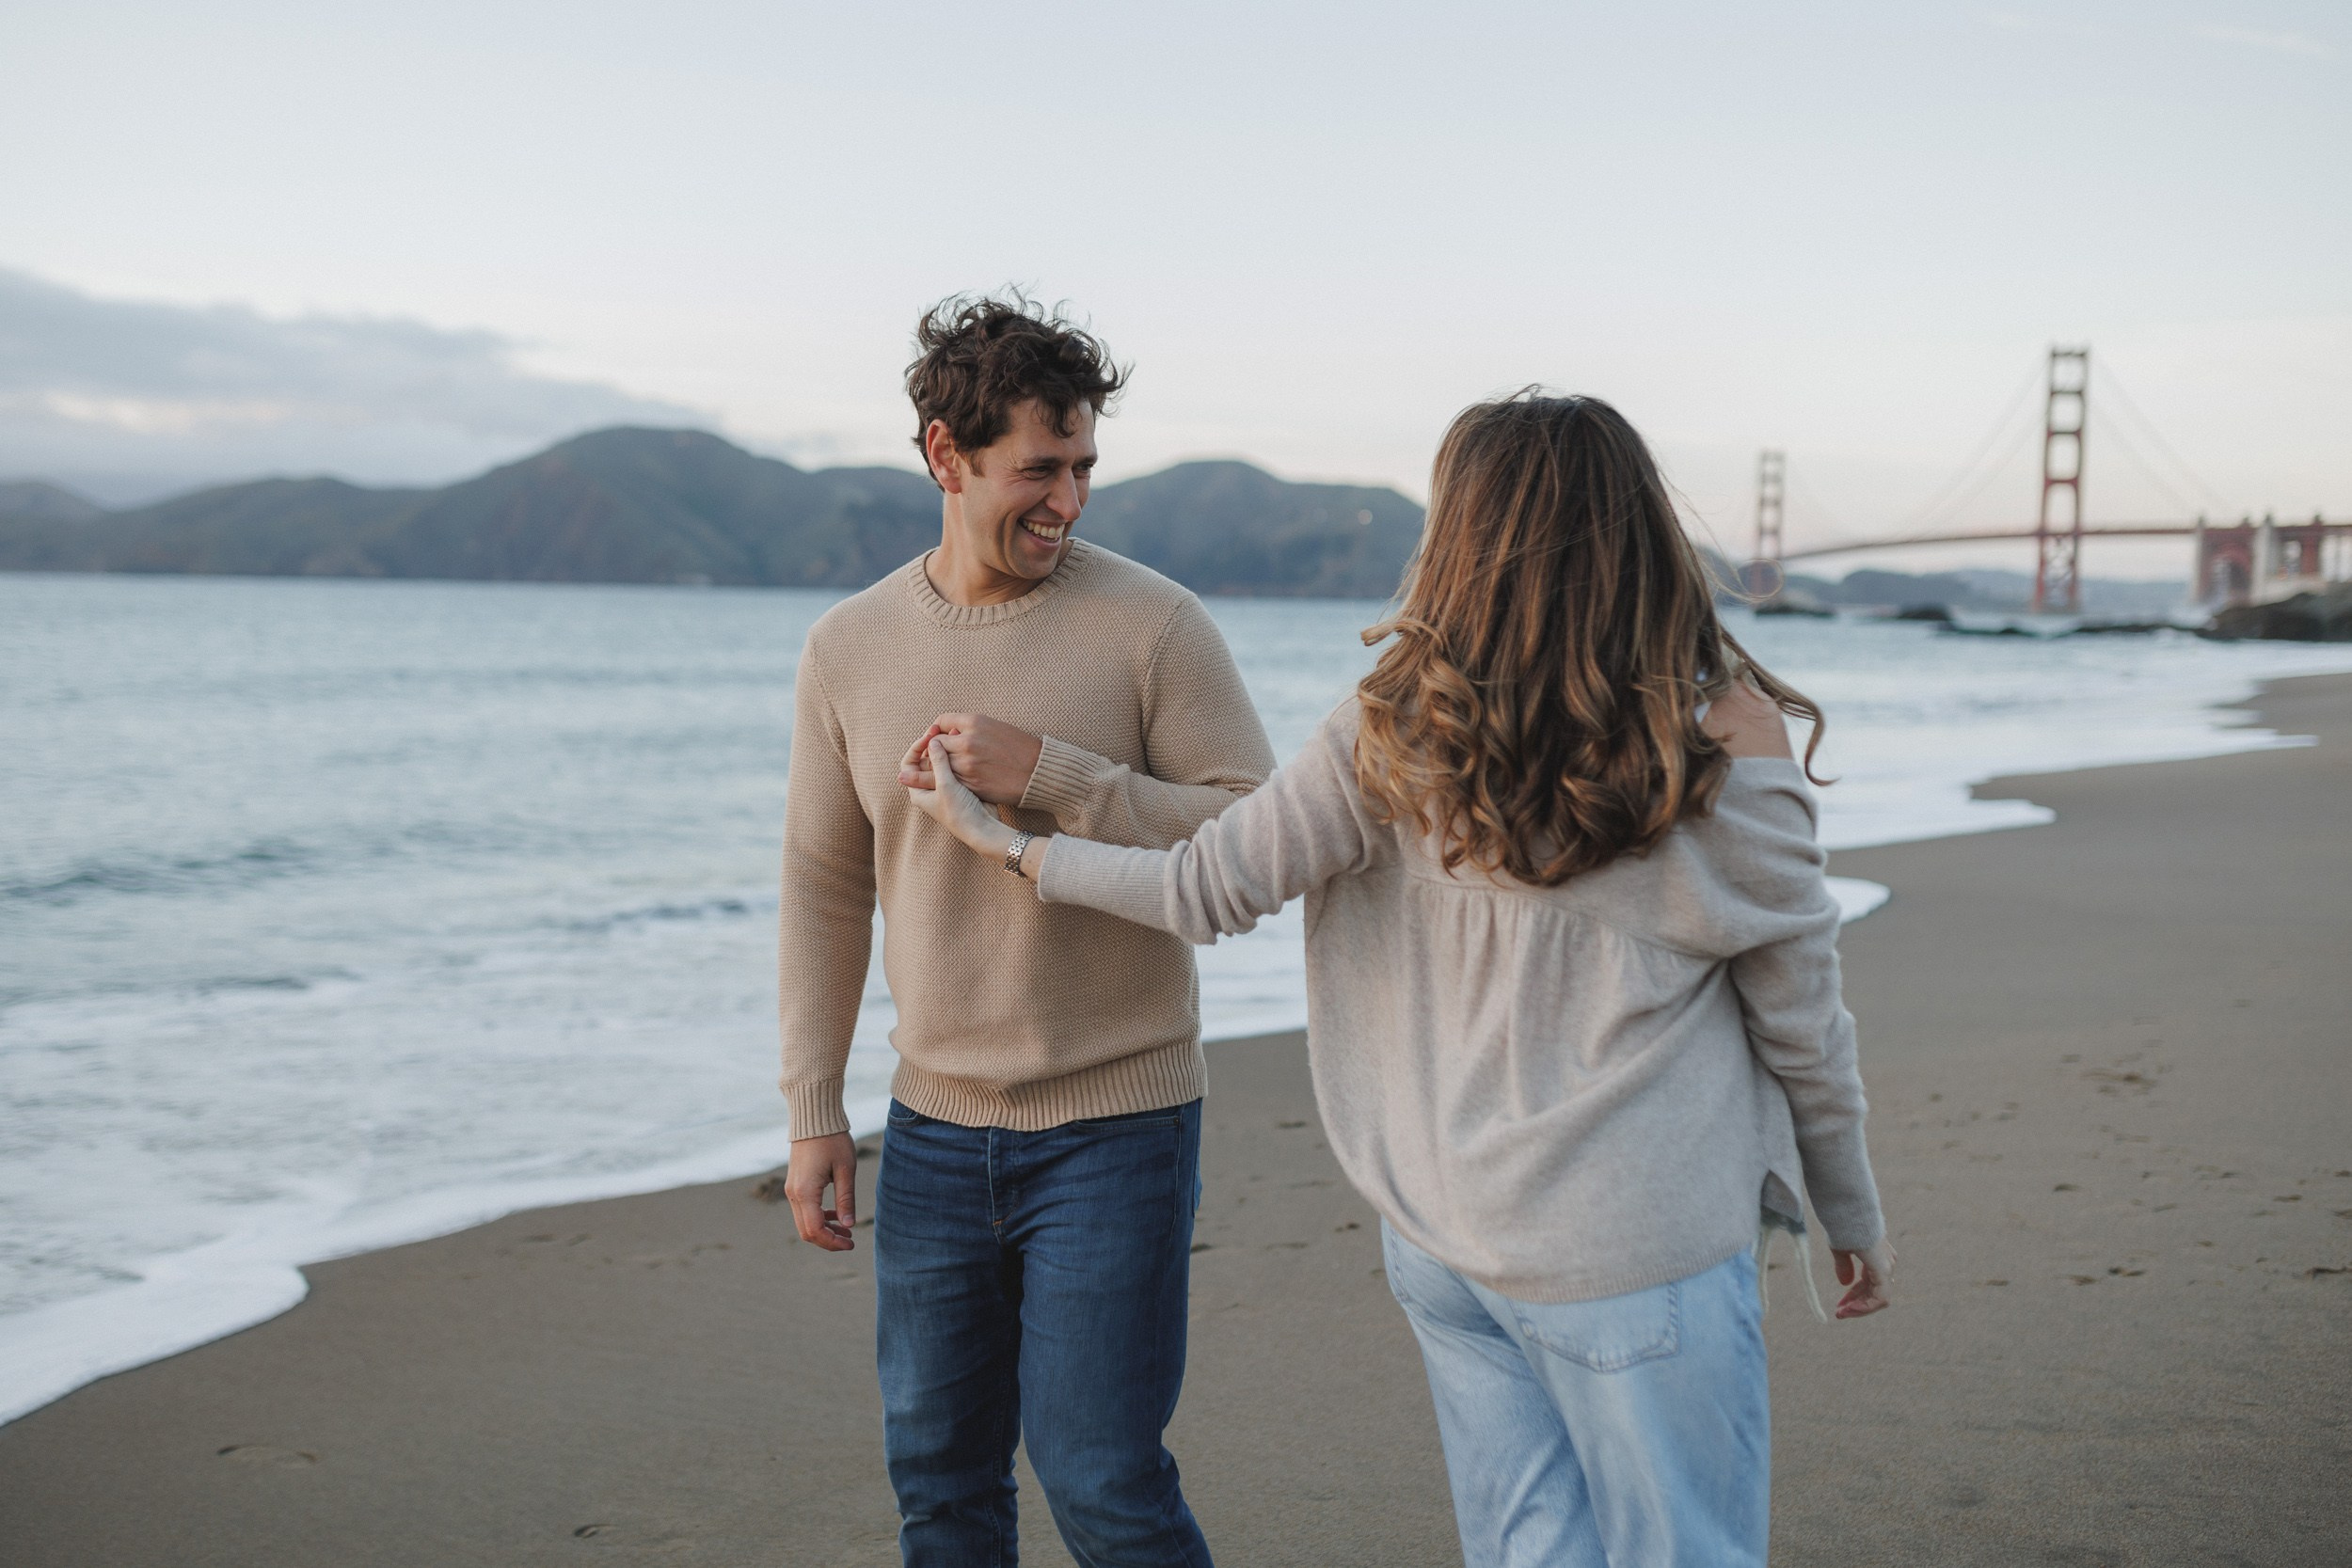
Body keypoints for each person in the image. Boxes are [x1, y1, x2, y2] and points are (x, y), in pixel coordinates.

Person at [904, 390, 1893, 1568]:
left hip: (1442, 1241)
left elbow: (1202, 887)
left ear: (1460, 537)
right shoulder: (1718, 736)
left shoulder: (1389, 727)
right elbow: (1801, 1024)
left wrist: (1011, 843)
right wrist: (1849, 1207)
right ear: (1641, 531)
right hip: (1632, 1250)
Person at [776, 293, 1272, 1567]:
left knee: (1104, 1482)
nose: (1070, 497)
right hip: (933, 1133)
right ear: (948, 456)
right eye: (1038, 468)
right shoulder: (849, 645)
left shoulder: (1155, 624)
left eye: (1085, 465)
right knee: (939, 1481)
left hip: (1117, 1124)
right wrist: (814, 1110)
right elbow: (827, 885)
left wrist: (1053, 770)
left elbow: (1256, 839)